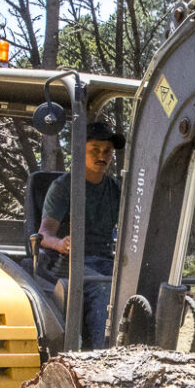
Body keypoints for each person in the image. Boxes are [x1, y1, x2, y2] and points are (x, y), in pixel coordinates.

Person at [38, 121, 125, 349]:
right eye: (95, 150)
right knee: (103, 286)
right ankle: (103, 358)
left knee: (132, 283)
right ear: (80, 152)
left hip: (103, 261)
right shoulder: (63, 187)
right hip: (67, 262)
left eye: (107, 151)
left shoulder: (115, 190)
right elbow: (44, 234)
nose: (102, 156)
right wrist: (61, 243)